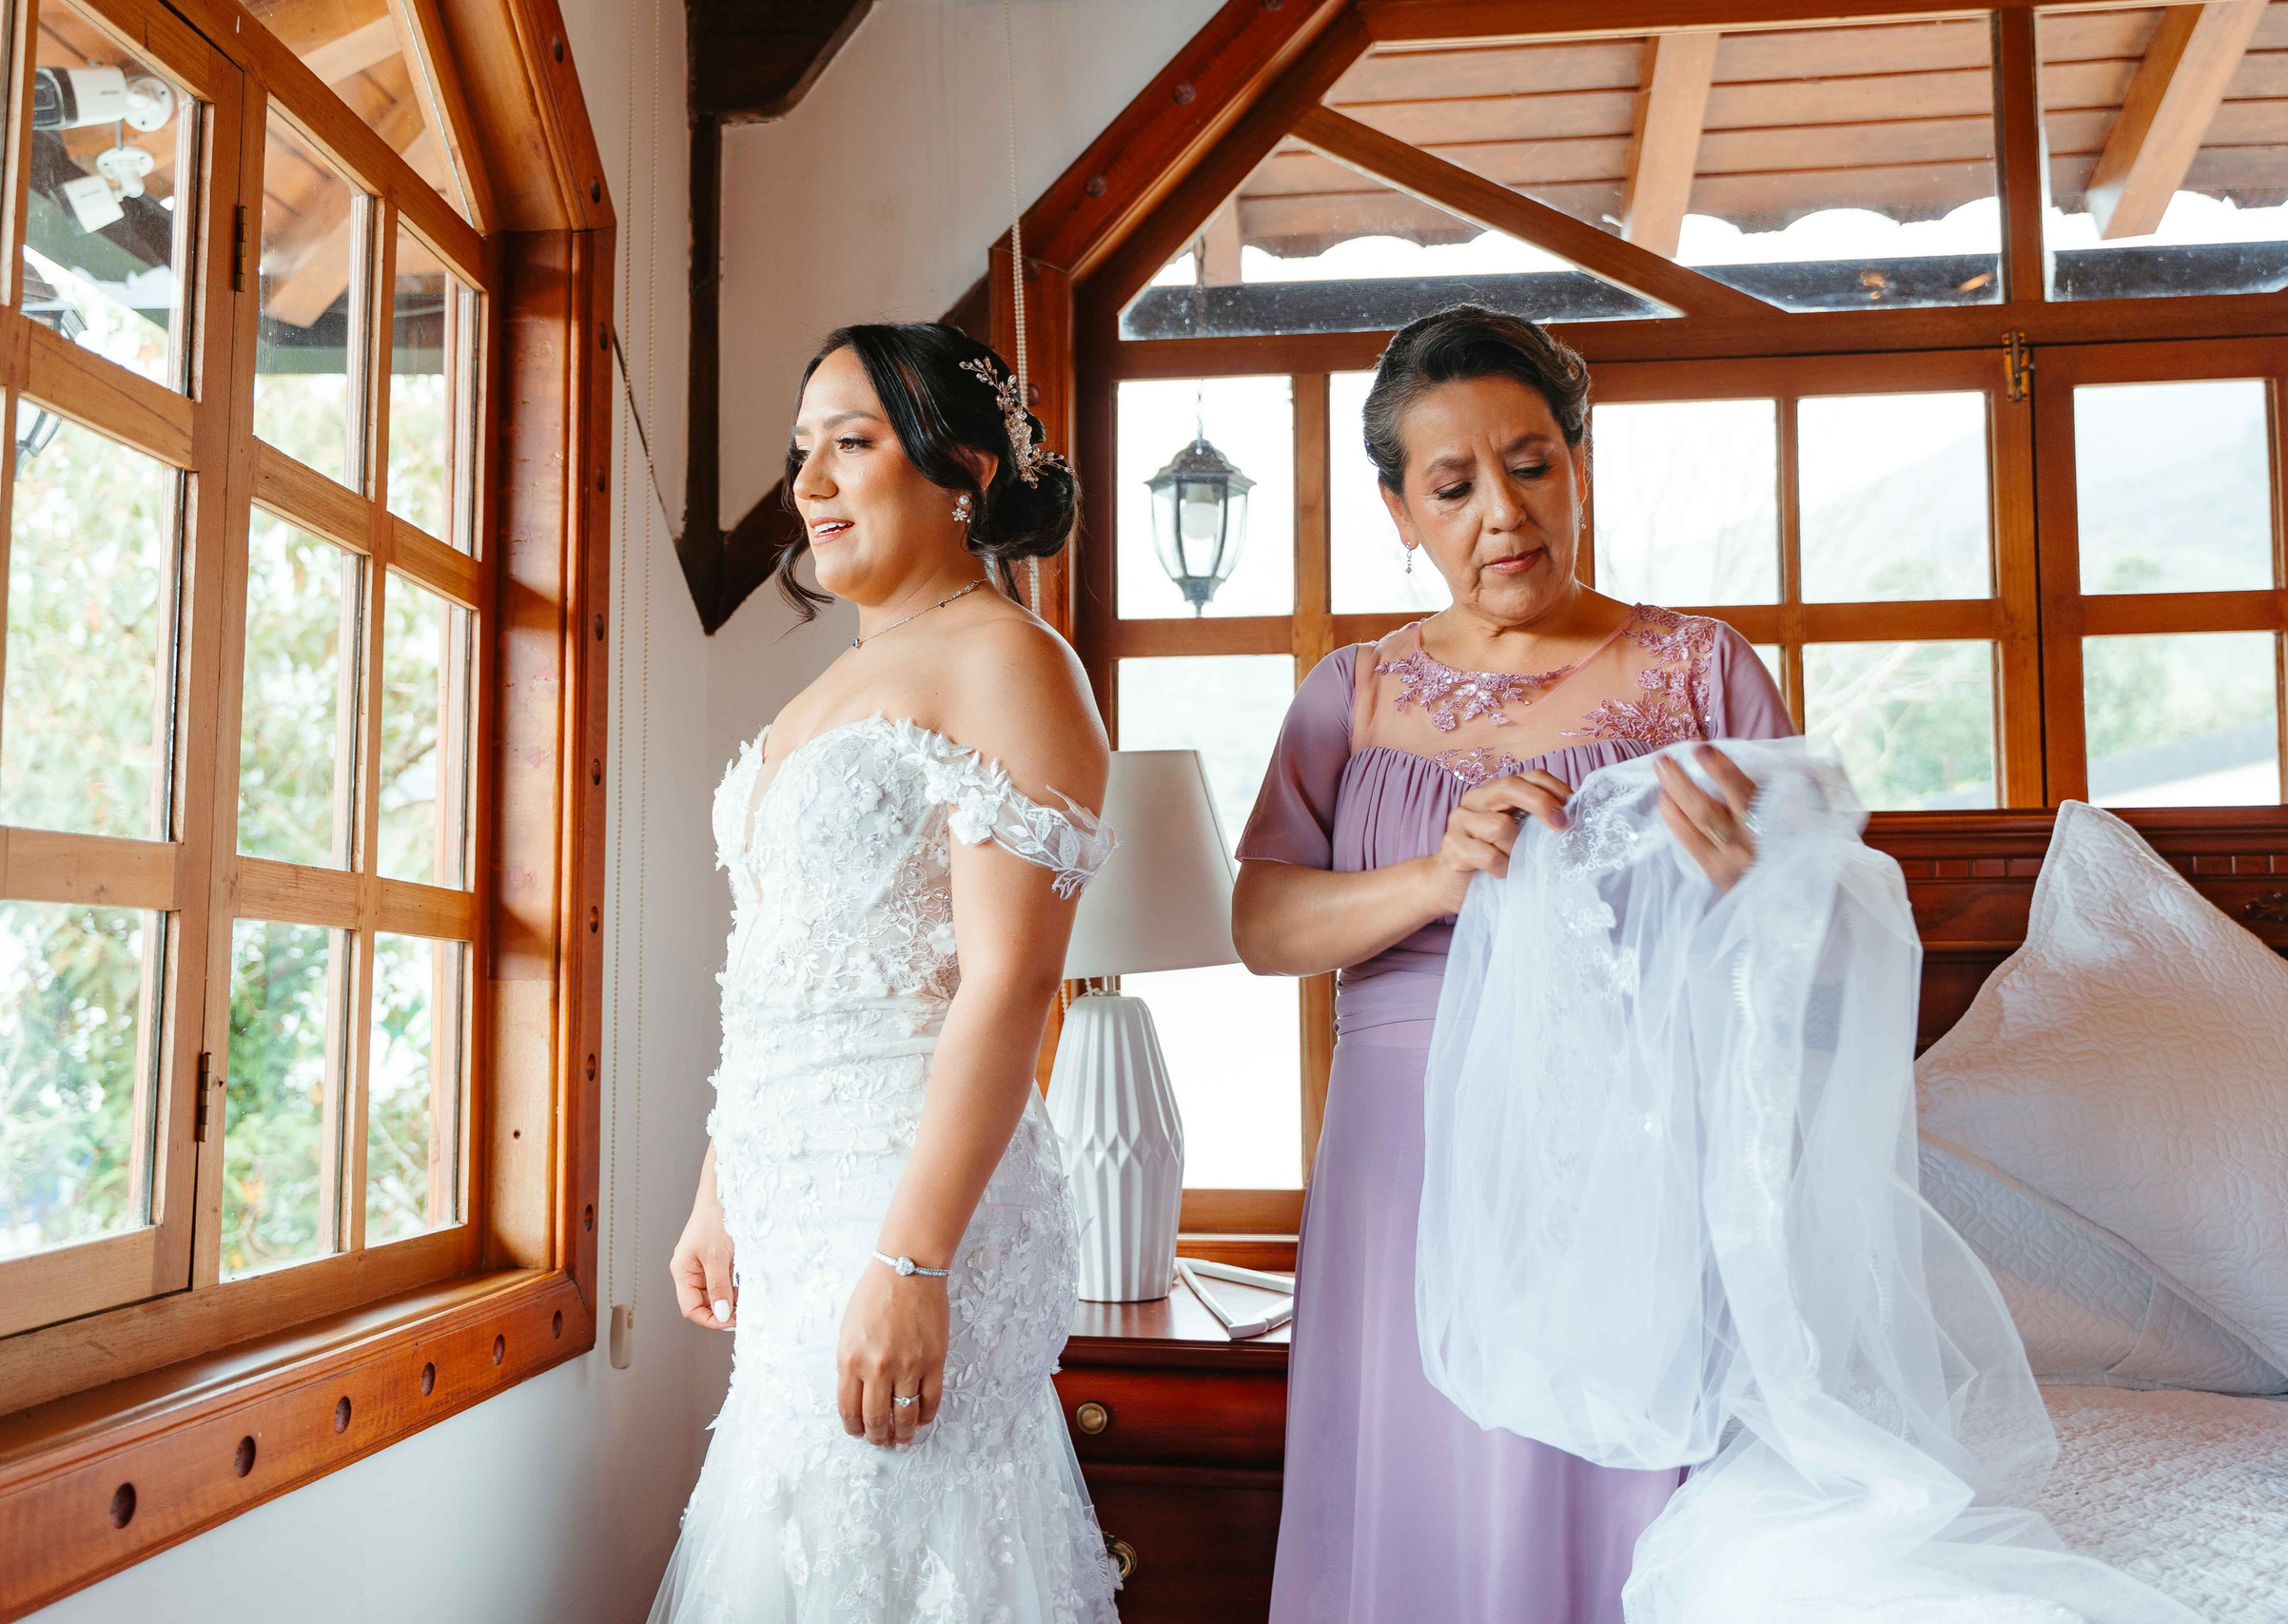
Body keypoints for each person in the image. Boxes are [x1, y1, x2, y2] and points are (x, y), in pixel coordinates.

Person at [1230, 303, 1790, 1624]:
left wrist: (1737, 891)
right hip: (1400, 1157)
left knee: (1601, 1477)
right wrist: (1436, 877)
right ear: (1399, 509)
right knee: (1420, 1487)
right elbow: (1263, 930)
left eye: (1532, 463)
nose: (1503, 511)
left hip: (1623, 1151)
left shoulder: (1701, 670)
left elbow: (1800, 951)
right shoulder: (1350, 695)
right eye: (1453, 483)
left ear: (1581, 463)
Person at [653, 323, 1121, 1622]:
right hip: (796, 1211)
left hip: (918, 1207)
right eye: (803, 449)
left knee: (908, 1547)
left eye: (851, 445)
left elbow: (1012, 984)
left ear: (961, 470)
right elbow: (782, 976)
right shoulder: (832, 687)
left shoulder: (1011, 664)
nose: (809, 485)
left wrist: (911, 1264)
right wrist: (719, 1184)